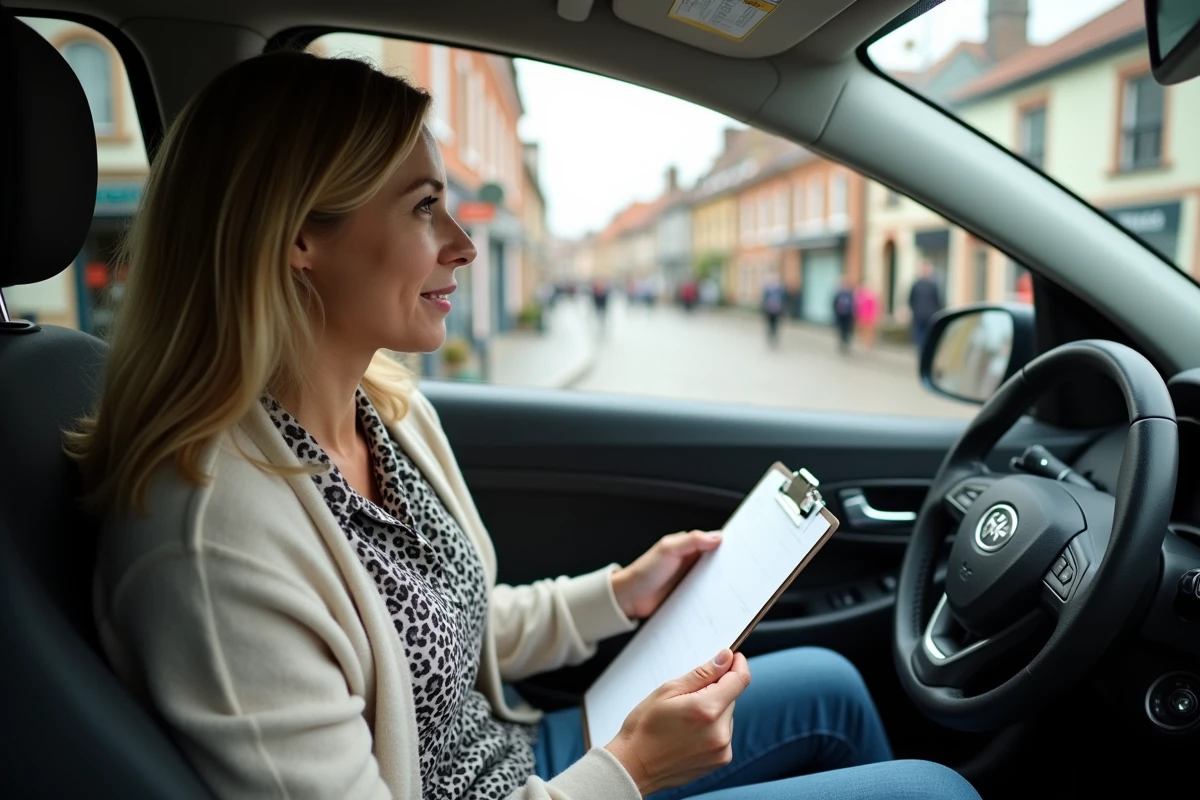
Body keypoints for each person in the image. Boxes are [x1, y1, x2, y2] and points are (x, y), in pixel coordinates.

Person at [66, 52, 980, 800]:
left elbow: (442, 632)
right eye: (425, 207)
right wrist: (629, 771)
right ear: (298, 236)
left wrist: (621, 592)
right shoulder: (210, 543)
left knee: (830, 681)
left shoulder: (385, 409)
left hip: (524, 762)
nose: (464, 243)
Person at [908, 261, 943, 352]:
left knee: (924, 337)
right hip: (921, 316)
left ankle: (924, 352)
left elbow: (937, 301)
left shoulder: (931, 285)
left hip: (927, 316)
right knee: (920, 337)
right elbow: (911, 300)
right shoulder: (917, 285)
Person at [832, 276, 856, 354]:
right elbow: (834, 303)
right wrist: (836, 312)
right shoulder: (838, 293)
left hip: (848, 315)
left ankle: (846, 342)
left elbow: (854, 304)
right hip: (840, 315)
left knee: (847, 329)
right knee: (841, 329)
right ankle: (842, 342)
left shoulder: (850, 293)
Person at [854, 281, 880, 352]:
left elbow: (874, 307)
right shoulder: (864, 297)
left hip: (867, 317)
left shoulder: (867, 298)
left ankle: (867, 344)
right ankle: (866, 344)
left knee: (867, 331)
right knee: (866, 331)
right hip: (865, 317)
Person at [761, 275, 786, 348]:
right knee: (770, 324)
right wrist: (763, 311)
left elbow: (783, 300)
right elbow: (764, 301)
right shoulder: (767, 290)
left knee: (776, 325)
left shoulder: (780, 290)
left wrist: (782, 312)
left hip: (777, 311)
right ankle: (770, 335)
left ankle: (774, 336)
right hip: (769, 310)